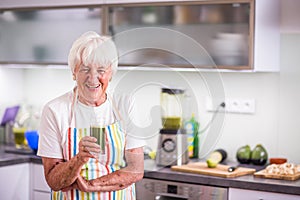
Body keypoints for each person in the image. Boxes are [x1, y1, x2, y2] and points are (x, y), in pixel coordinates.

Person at [37, 31, 145, 200]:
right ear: (74, 72)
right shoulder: (55, 110)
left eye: (101, 70)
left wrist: (91, 185)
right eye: (85, 69)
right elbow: (53, 180)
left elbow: (136, 170)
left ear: (111, 73)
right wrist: (79, 158)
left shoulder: (125, 105)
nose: (93, 78)